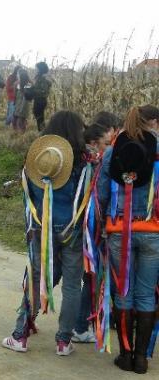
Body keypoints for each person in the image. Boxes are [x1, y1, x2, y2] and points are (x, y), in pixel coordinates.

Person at [2, 111, 88, 356]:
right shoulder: (82, 164)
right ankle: (64, 341)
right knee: (73, 285)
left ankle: (20, 335)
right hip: (73, 230)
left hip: (41, 228)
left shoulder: (37, 161)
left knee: (36, 278)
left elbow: (28, 195)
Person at [96, 105, 159, 374]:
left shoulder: (113, 150)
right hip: (153, 231)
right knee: (146, 293)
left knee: (123, 291)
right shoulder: (157, 150)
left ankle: (125, 355)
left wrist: (102, 223)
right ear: (152, 122)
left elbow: (102, 193)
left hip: (119, 229)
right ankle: (141, 358)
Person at [72, 121, 113, 343]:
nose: (110, 147)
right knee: (89, 277)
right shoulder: (89, 165)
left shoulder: (91, 162)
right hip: (88, 230)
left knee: (88, 278)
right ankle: (79, 325)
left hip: (87, 229)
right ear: (94, 143)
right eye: (107, 143)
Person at [32, 62, 52, 132]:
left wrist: (33, 90)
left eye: (37, 68)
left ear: (40, 69)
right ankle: (42, 131)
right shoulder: (39, 77)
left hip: (41, 100)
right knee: (38, 116)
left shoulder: (43, 78)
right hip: (38, 99)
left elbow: (44, 91)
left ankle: (42, 132)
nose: (35, 69)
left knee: (40, 117)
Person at [13, 68, 32, 133]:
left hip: (23, 107)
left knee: (20, 121)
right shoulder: (17, 85)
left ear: (22, 76)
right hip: (18, 106)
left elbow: (25, 101)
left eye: (18, 75)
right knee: (15, 120)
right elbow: (16, 97)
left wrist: (21, 109)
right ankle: (16, 133)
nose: (17, 76)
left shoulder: (27, 86)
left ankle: (22, 133)